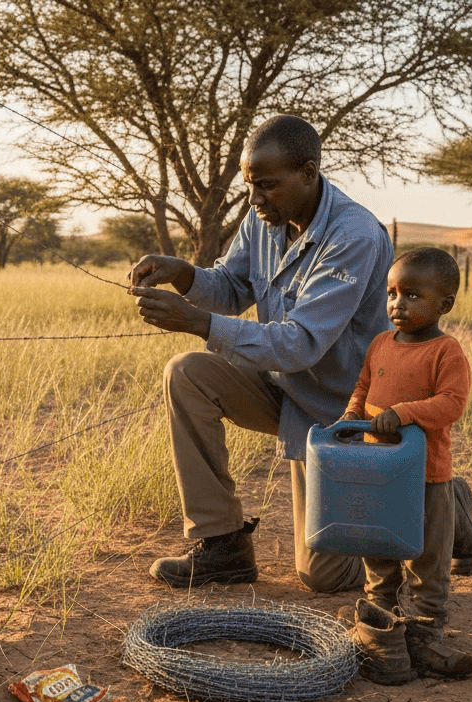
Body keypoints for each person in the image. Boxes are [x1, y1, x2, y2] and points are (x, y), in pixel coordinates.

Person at [127, 114, 393, 593]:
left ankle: (437, 506)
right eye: (251, 185)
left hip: (340, 415)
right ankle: (223, 546)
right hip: (283, 389)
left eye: (266, 186)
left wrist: (196, 321)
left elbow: (301, 344)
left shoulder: (354, 236)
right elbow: (231, 287)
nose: (254, 199)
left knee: (324, 577)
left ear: (308, 174)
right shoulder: (265, 217)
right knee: (188, 374)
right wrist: (185, 274)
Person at [341, 246, 472, 682]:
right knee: (377, 549)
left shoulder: (446, 352)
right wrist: (351, 414)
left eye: (413, 295)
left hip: (426, 477)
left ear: (445, 304)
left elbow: (451, 404)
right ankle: (380, 625)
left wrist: (403, 412)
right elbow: (363, 386)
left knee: (427, 560)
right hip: (375, 472)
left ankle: (424, 636)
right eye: (392, 293)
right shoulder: (381, 343)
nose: (398, 304)